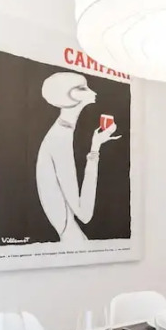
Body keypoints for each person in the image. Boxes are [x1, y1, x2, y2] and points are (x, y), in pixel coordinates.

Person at [36, 72, 121, 245]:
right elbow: (85, 214)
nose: (92, 92)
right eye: (82, 89)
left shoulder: (63, 131)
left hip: (72, 235)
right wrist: (95, 149)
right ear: (67, 96)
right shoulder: (59, 139)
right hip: (71, 238)